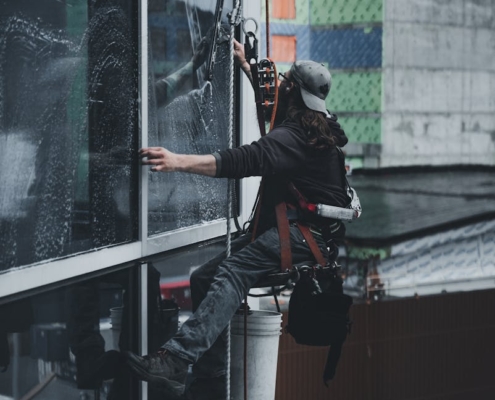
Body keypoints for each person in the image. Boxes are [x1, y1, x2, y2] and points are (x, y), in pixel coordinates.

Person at [124, 40, 350, 400]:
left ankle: (177, 358)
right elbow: (271, 103)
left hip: (301, 236)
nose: (278, 88)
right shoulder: (315, 124)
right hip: (306, 234)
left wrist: (177, 160)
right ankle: (210, 378)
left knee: (233, 271)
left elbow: (240, 161)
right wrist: (246, 64)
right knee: (203, 278)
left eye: (283, 84)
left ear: (291, 90)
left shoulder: (294, 137)